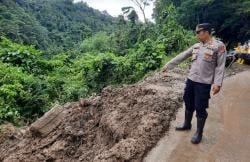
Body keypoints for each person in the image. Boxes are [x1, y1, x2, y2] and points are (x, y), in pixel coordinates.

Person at [162, 23, 227, 144]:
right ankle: (187, 124)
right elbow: (183, 55)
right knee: (188, 102)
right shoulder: (196, 46)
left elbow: (220, 66)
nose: (196, 34)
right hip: (191, 80)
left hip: (203, 83)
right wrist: (169, 65)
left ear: (206, 32)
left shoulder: (219, 46)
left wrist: (218, 83)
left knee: (200, 107)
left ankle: (199, 133)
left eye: (198, 32)